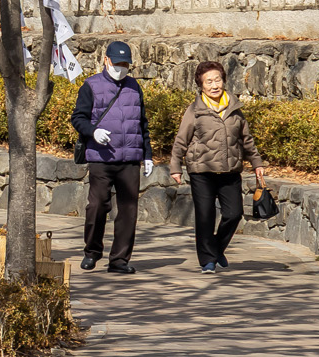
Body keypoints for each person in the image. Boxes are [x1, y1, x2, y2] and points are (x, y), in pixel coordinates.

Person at [170, 60, 268, 274]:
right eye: (209, 82)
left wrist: (256, 163)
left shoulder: (235, 108)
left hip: (230, 170)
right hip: (201, 171)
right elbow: (181, 140)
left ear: (223, 81)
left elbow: (246, 139)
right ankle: (208, 260)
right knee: (205, 217)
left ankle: (215, 248)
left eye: (217, 80)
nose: (214, 85)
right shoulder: (194, 110)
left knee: (234, 213)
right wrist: (175, 166)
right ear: (201, 85)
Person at [70, 40, 152, 274]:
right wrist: (92, 132)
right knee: (97, 206)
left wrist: (147, 155)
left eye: (125, 64)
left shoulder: (134, 87)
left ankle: (119, 260)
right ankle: (92, 252)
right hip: (101, 157)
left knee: (128, 211)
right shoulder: (91, 85)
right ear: (106, 60)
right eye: (117, 63)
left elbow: (142, 123)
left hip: (130, 159)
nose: (120, 68)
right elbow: (78, 117)